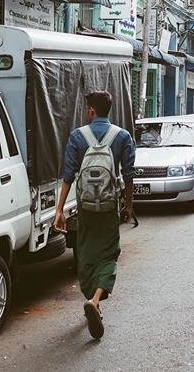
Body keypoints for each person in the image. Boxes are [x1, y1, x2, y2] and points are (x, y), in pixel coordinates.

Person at [53, 91, 135, 340]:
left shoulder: (78, 136)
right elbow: (129, 176)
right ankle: (96, 299)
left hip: (85, 208)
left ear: (91, 110)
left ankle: (91, 298)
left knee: (87, 255)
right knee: (109, 254)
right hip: (109, 208)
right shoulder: (122, 136)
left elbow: (68, 175)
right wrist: (128, 205)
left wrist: (59, 210)